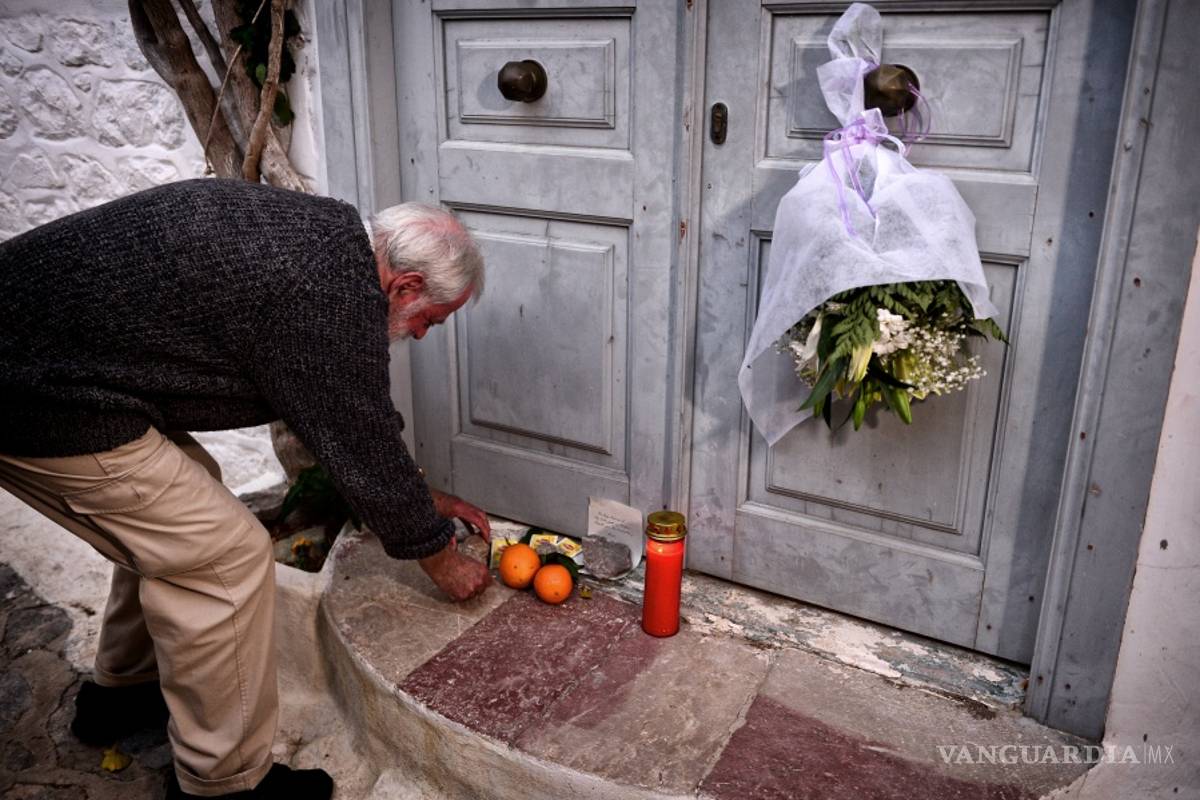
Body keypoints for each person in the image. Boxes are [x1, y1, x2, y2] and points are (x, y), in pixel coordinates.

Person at [0, 179, 493, 799]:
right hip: (34, 393)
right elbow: (358, 432)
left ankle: (123, 694)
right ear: (408, 286)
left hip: (44, 365)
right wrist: (441, 557)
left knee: (180, 508)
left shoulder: (329, 240)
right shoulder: (327, 291)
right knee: (222, 555)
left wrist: (422, 499)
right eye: (431, 320)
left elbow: (347, 414)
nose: (422, 334)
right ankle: (223, 784)